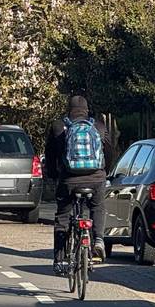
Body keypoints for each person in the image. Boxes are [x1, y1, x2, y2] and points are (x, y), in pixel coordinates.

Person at [44, 94, 113, 273]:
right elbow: (109, 151)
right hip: (96, 178)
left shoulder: (59, 126)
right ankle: (98, 240)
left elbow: (50, 155)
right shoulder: (98, 126)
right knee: (97, 207)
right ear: (87, 109)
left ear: (69, 109)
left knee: (63, 216)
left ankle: (59, 260)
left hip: (69, 179)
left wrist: (52, 175)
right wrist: (105, 172)